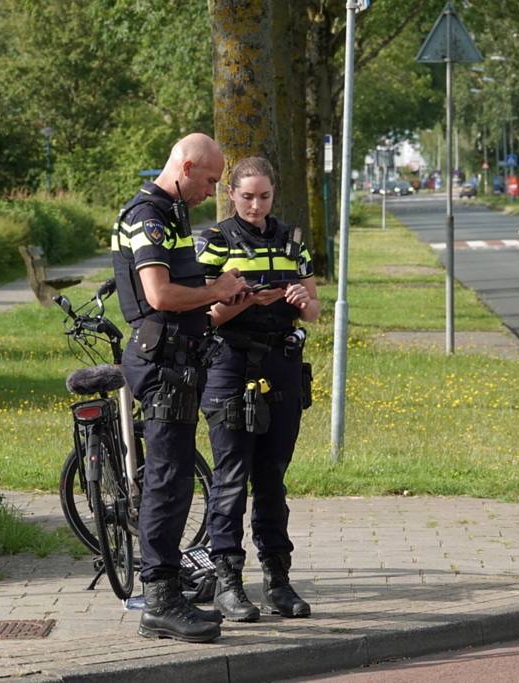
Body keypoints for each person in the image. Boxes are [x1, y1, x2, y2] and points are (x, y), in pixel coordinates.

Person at [111, 133, 246, 643]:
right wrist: (216, 290)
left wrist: (223, 288)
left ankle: (168, 593)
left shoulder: (172, 212)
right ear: (186, 167)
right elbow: (159, 294)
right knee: (168, 482)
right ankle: (160, 601)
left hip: (180, 360)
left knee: (176, 478)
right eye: (210, 180)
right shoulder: (149, 213)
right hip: (161, 363)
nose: (212, 191)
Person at [195, 157, 321, 622]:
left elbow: (312, 311)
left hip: (282, 364)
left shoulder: (291, 241)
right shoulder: (214, 241)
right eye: (247, 196)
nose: (255, 205)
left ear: (274, 194)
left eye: (264, 197)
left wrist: (301, 301)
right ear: (230, 193)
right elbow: (203, 315)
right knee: (231, 479)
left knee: (272, 478)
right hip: (229, 365)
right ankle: (228, 583)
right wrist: (242, 300)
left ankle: (278, 581)